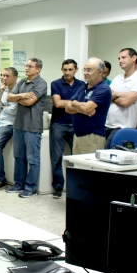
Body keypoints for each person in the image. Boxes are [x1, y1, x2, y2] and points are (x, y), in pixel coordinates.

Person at [6, 58, 47, 198]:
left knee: (32, 159)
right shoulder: (22, 82)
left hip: (32, 126)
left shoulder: (41, 83)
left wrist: (17, 98)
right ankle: (19, 184)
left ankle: (30, 187)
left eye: (30, 66)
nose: (27, 68)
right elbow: (8, 97)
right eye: (26, 65)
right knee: (19, 157)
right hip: (19, 125)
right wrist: (21, 95)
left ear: (38, 69)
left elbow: (30, 102)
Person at [49, 59, 84, 198]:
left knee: (78, 158)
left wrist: (70, 104)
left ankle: (77, 187)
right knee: (56, 157)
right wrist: (77, 104)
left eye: (70, 69)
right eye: (65, 69)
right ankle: (58, 187)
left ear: (76, 70)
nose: (68, 72)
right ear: (61, 69)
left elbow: (86, 103)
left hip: (76, 124)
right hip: (59, 124)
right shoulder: (56, 84)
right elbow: (57, 103)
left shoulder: (82, 85)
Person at [66, 58, 112, 156]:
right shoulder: (84, 87)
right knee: (77, 169)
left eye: (89, 70)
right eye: (85, 70)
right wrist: (80, 107)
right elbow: (67, 108)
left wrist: (76, 104)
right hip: (78, 135)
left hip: (92, 137)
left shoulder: (103, 89)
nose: (86, 73)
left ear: (100, 72)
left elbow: (86, 108)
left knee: (89, 170)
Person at [104, 48, 137, 148]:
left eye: (123, 57)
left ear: (134, 58)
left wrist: (114, 95)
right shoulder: (118, 78)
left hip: (123, 128)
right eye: (119, 58)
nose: (120, 61)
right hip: (108, 125)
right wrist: (124, 94)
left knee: (108, 156)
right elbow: (106, 97)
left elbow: (126, 102)